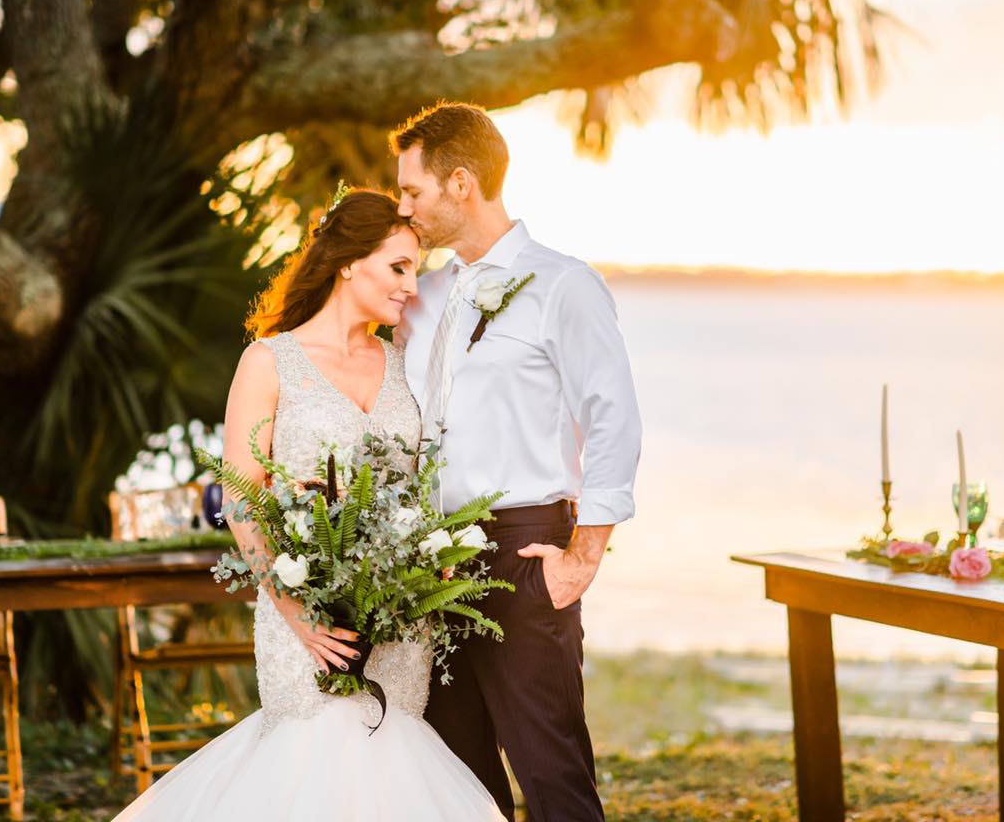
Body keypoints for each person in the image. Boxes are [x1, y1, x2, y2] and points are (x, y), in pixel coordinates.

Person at [113, 190, 501, 821]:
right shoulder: (270, 361)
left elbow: (431, 479)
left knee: (393, 771)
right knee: (314, 765)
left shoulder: (410, 366)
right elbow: (243, 502)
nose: (411, 286)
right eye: (398, 267)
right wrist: (296, 612)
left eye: (417, 268)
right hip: (303, 620)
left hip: (399, 623)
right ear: (349, 262)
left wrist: (436, 559)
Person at [392, 102, 643, 822]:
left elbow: (613, 418)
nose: (404, 208)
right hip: (427, 563)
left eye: (414, 192)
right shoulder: (427, 292)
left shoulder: (563, 284)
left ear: (461, 183)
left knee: (552, 774)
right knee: (458, 781)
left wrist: (580, 557)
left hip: (521, 551)